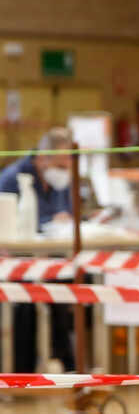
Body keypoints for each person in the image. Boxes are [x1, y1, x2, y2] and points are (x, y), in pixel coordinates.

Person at [1, 128, 77, 372]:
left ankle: (70, 363)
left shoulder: (60, 180)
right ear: (42, 158)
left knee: (69, 291)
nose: (65, 170)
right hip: (16, 259)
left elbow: (67, 212)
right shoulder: (13, 178)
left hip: (51, 256)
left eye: (68, 164)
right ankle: (25, 368)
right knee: (27, 304)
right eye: (61, 163)